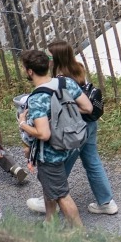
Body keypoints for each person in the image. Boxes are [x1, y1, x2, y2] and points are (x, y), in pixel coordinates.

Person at [24, 41, 116, 217]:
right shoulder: (78, 68)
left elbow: (69, 106)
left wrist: (61, 112)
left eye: (49, 56)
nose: (46, 59)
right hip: (89, 124)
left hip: (72, 127)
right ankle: (106, 201)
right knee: (92, 161)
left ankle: (52, 197)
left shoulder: (61, 79)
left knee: (61, 162)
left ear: (56, 58)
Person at [18, 48, 92, 229]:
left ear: (30, 71)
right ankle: (50, 221)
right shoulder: (65, 83)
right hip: (69, 142)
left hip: (50, 152)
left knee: (61, 193)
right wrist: (63, 115)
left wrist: (23, 124)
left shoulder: (37, 99)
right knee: (49, 184)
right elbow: (88, 107)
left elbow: (44, 134)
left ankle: (79, 233)